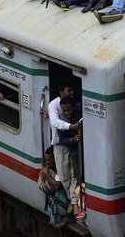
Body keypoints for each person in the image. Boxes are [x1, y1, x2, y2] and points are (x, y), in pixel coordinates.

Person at [47, 84, 83, 213]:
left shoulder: (76, 106)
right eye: (69, 90)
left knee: (74, 173)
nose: (72, 92)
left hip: (73, 145)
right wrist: (72, 127)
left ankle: (74, 202)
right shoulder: (53, 105)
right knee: (64, 174)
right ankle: (72, 200)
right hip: (60, 143)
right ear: (61, 92)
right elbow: (55, 123)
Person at [39, 146, 71, 228]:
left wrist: (46, 174)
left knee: (58, 192)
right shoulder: (51, 168)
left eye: (49, 160)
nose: (47, 162)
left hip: (68, 192)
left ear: (55, 158)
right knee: (51, 194)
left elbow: (57, 185)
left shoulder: (61, 167)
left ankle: (66, 216)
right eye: (46, 160)